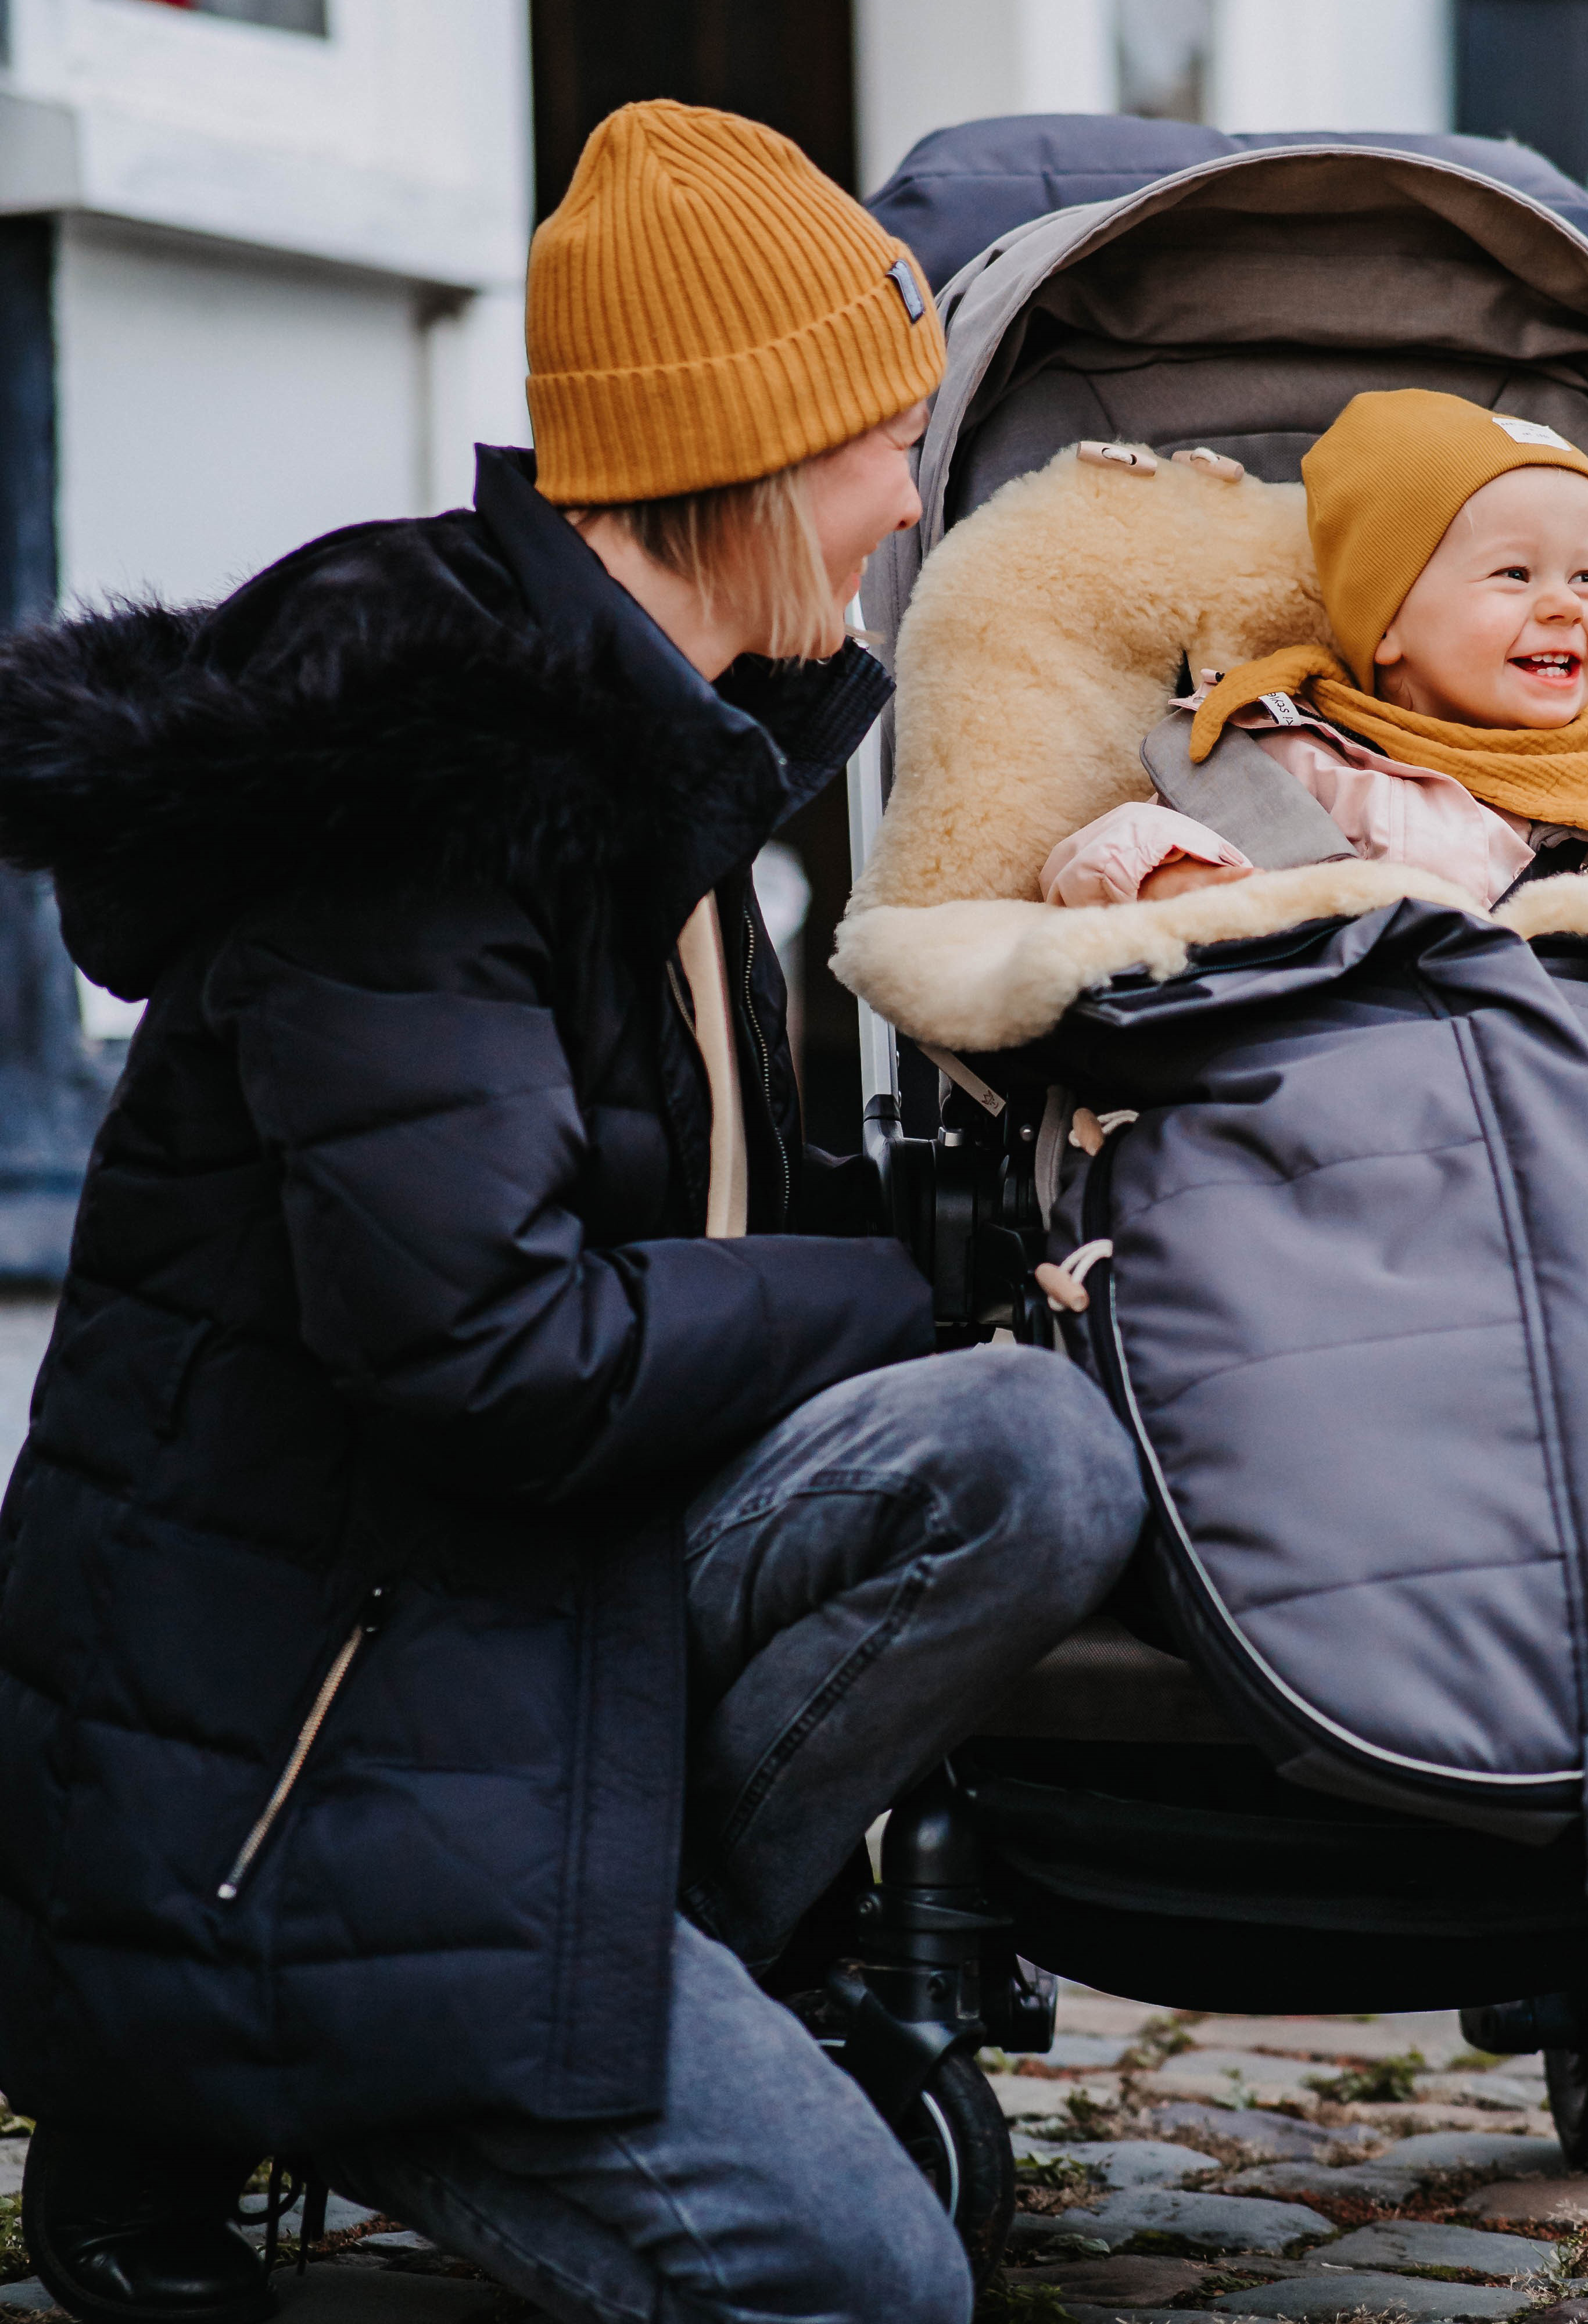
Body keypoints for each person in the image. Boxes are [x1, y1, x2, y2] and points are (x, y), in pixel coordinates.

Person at [0, 101, 1145, 2324]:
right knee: (867, 2289)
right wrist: (896, 1291)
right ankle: (251, 2052)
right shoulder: (424, 786)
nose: (911, 503)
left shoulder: (689, 760)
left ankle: (564, 1983)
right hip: (309, 1750)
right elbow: (492, 1361)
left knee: (1024, 1455)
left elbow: (722, 1253)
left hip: (523, 1615)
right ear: (739, 447)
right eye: (879, 447)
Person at [1039, 388, 1588, 912]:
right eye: (1514, 574)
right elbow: (1099, 849)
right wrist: (1184, 883)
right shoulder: (1301, 760)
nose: (1563, 604)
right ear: (1388, 624)